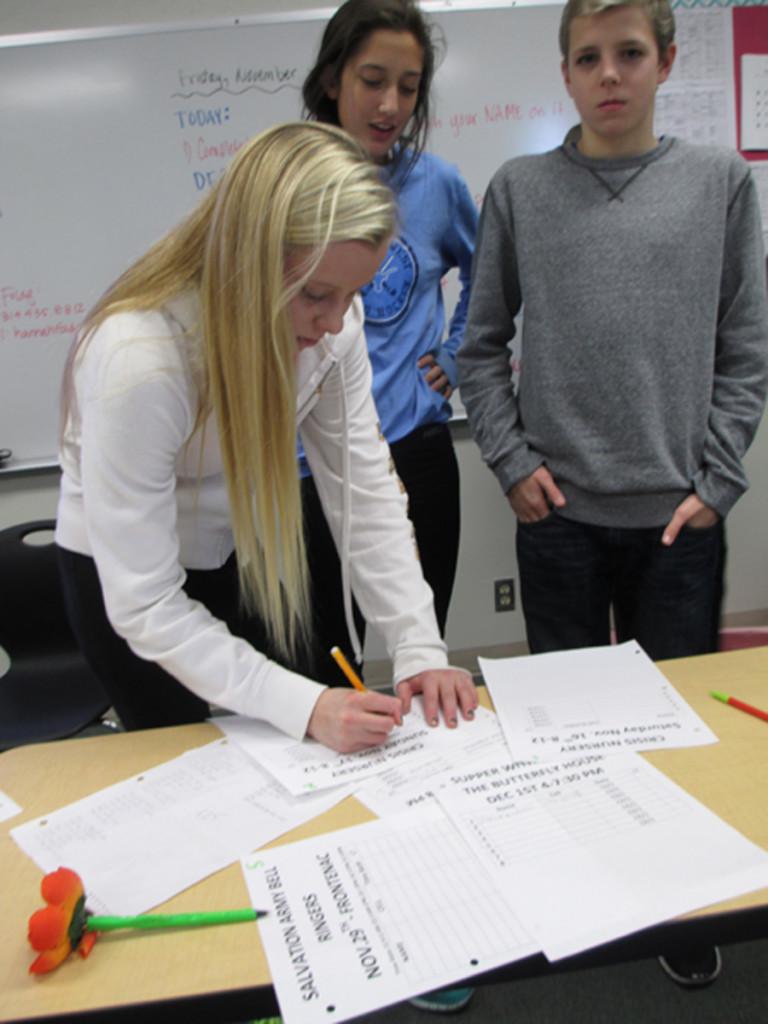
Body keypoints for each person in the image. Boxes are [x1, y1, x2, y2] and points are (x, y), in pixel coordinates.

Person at [458, 0, 768, 988]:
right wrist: (510, 461)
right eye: (587, 57)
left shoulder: (719, 184)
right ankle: (581, 888)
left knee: (677, 732)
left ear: (666, 61)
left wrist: (718, 482)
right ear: (565, 73)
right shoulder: (519, 188)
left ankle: (677, 901)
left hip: (678, 523)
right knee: (563, 731)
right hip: (558, 522)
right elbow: (476, 349)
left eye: (629, 53)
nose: (609, 74)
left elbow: (746, 350)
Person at [56, 121, 477, 756]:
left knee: (287, 747)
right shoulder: (138, 361)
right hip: (126, 580)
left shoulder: (332, 326)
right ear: (248, 262)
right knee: (185, 758)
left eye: (352, 294)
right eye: (316, 294)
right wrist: (306, 705)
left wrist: (419, 644)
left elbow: (363, 488)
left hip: (234, 548)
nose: (338, 321)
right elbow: (145, 605)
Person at [300, 0, 478, 687]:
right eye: (373, 80)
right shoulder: (288, 185)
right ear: (332, 80)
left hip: (415, 451)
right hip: (306, 464)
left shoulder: (437, 186)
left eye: (408, 87)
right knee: (317, 664)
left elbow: (489, 267)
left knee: (419, 650)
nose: (390, 103)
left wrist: (457, 352)